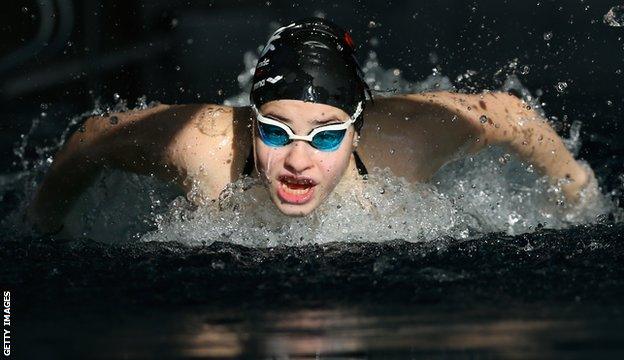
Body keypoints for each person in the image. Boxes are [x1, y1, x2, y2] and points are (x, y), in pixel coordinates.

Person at [27, 18, 593, 234]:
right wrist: (43, 227)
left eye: (326, 136)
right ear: (250, 124)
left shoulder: (407, 142)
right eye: (275, 131)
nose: (298, 162)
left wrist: (578, 194)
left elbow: (510, 115)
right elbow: (92, 135)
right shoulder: (204, 146)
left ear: (356, 128)